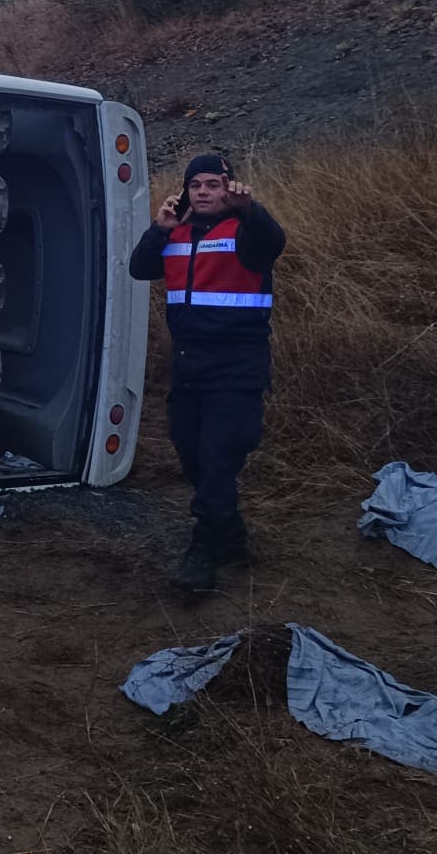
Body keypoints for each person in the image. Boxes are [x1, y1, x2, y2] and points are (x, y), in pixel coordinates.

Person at [129, 153, 286, 594]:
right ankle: (231, 534)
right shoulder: (175, 233)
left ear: (229, 189)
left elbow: (274, 242)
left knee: (219, 459)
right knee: (192, 455)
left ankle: (204, 550)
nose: (202, 192)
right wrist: (159, 228)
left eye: (212, 185)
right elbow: (140, 268)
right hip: (188, 366)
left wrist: (250, 210)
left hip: (237, 368)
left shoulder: (248, 233)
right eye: (195, 185)